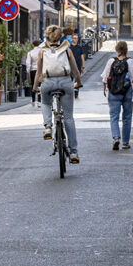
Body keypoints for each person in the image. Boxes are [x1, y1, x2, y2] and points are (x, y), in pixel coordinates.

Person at [33, 25, 83, 163]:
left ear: (47, 36)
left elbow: (38, 72)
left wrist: (35, 86)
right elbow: (75, 70)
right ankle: (73, 152)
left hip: (48, 82)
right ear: (61, 37)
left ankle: (48, 126)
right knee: (68, 118)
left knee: (45, 102)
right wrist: (78, 83)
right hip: (65, 82)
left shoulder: (42, 50)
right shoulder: (67, 49)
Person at [102, 40, 133, 150]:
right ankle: (125, 142)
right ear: (126, 50)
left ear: (116, 50)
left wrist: (105, 89)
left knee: (114, 116)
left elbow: (105, 77)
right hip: (127, 92)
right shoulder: (131, 62)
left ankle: (116, 138)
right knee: (127, 118)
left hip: (114, 92)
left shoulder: (111, 61)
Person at [23, 41, 43, 107]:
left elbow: (28, 63)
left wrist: (28, 71)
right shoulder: (42, 52)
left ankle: (33, 100)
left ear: (33, 45)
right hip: (40, 70)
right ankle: (39, 101)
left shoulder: (30, 52)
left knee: (33, 85)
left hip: (33, 70)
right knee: (39, 85)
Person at [69, 33, 85, 99]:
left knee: (77, 81)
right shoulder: (68, 48)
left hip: (78, 66)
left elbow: (82, 57)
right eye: (74, 38)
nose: (75, 39)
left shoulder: (80, 47)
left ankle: (76, 93)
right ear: (72, 39)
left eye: (76, 38)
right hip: (70, 67)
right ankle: (69, 93)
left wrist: (83, 67)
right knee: (69, 80)